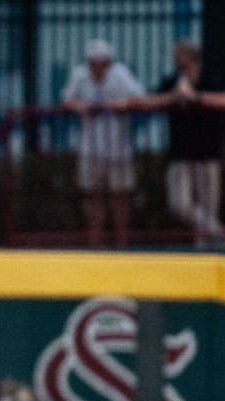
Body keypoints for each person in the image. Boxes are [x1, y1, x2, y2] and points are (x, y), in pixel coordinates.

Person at [142, 39, 225, 248]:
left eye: (180, 54)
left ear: (192, 56)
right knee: (179, 203)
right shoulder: (173, 81)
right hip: (180, 151)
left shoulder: (207, 80)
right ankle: (221, 234)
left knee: (209, 205)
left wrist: (196, 97)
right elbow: (148, 100)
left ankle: (204, 244)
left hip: (207, 150)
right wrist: (173, 97)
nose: (176, 58)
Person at [61, 39, 145, 247]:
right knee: (94, 197)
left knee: (119, 197)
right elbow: (67, 99)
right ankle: (95, 243)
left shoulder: (120, 74)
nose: (97, 67)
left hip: (118, 148)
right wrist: (85, 107)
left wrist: (118, 105)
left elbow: (138, 97)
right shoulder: (80, 75)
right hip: (91, 148)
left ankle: (122, 242)